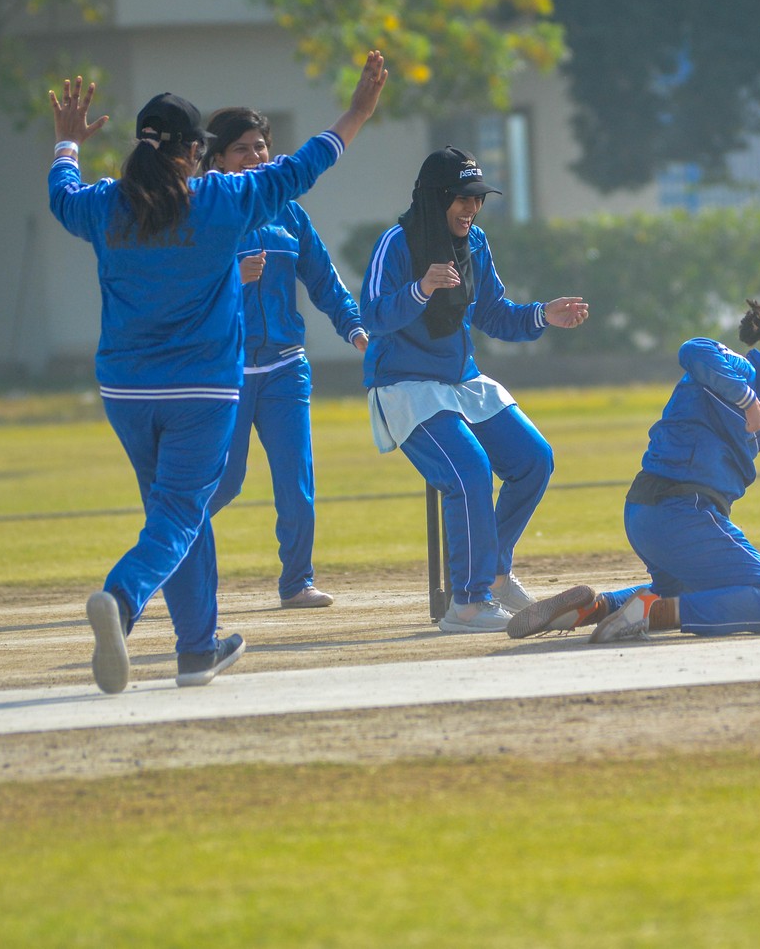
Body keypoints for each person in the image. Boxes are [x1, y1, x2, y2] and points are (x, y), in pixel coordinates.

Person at [48, 51, 387, 693]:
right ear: (195, 152)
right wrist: (356, 113)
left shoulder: (105, 205)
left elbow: (61, 194)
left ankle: (198, 649)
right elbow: (305, 165)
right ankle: (121, 599)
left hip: (124, 389)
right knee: (180, 514)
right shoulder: (222, 199)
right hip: (201, 390)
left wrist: (67, 143)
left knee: (178, 513)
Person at [506, 300, 760, 644]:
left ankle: (596, 608)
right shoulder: (745, 375)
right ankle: (649, 613)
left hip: (644, 512)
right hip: (682, 512)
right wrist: (748, 400)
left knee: (692, 590)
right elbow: (694, 349)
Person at [359, 146, 589, 634]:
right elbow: (373, 317)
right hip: (404, 384)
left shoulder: (476, 242)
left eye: (478, 199)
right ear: (436, 197)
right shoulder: (395, 243)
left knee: (534, 459)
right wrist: (420, 289)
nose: (472, 208)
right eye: (463, 198)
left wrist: (543, 315)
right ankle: (466, 604)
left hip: (460, 380)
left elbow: (493, 314)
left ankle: (494, 574)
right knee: (469, 470)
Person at [201, 107, 370, 610]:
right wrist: (233, 276)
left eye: (260, 146)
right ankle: (162, 556)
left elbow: (324, 281)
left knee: (296, 483)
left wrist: (356, 329)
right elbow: (181, 287)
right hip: (225, 371)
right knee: (223, 482)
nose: (254, 156)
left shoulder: (288, 211)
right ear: (217, 158)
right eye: (241, 148)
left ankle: (297, 582)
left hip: (285, 367)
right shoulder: (202, 210)